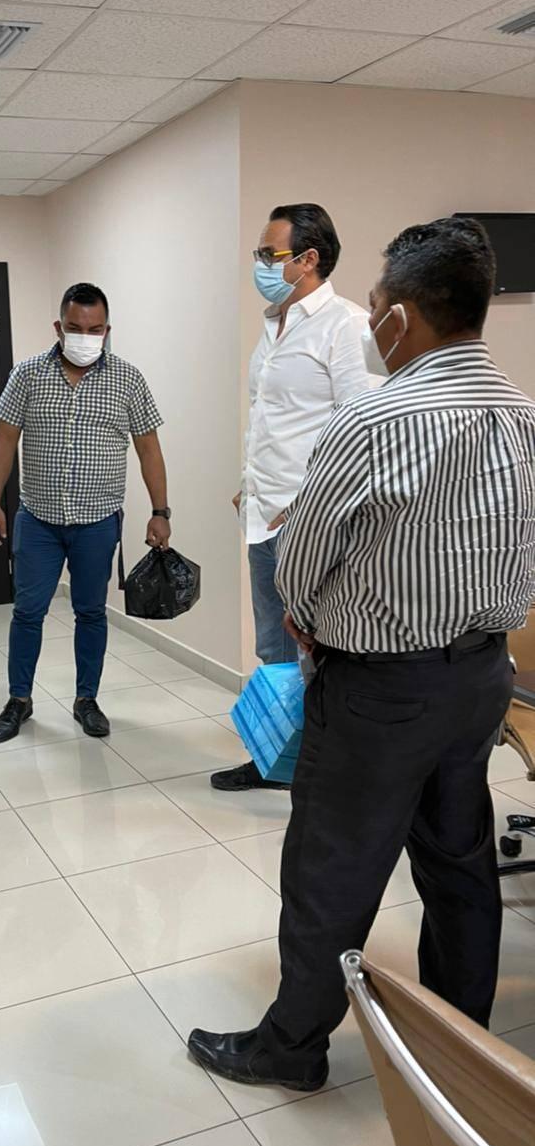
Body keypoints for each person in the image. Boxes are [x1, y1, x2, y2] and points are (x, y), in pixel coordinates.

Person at [189, 217, 535, 1092]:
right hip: (483, 679)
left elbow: (299, 564)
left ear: (400, 318)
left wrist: (311, 624)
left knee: (332, 868)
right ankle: (459, 1050)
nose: (372, 320)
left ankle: (292, 1047)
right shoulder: (526, 417)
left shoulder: (375, 419)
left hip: (380, 690)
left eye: (377, 305)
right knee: (459, 863)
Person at [212, 203, 372, 794]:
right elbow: (273, 418)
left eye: (268, 253)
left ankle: (327, 767)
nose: (258, 263)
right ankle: (278, 763)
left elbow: (360, 431)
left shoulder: (346, 326)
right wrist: (249, 483)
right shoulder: (276, 324)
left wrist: (306, 505)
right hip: (263, 514)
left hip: (313, 522)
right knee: (275, 647)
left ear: (308, 259)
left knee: (322, 648)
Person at [0, 282, 170, 743]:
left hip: (98, 522)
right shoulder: (27, 374)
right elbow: (4, 441)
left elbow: (149, 448)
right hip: (38, 519)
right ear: (58, 327)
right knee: (28, 612)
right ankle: (19, 699)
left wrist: (160, 510)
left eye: (95, 328)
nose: (86, 336)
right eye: (75, 328)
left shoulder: (128, 379)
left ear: (107, 329)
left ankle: (87, 699)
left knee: (90, 612)